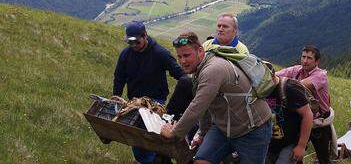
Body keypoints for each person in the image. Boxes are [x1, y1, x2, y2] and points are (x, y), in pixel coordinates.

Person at [160, 31, 272, 164]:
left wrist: (174, 133)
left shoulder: (212, 69)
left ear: (200, 51)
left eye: (186, 55)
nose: (182, 61)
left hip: (252, 129)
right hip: (223, 128)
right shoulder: (200, 68)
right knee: (201, 161)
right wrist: (203, 133)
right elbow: (206, 104)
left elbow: (198, 106)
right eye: (179, 57)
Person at [113, 21, 185, 164]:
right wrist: (116, 95)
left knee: (149, 134)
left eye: (137, 42)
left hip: (156, 102)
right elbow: (119, 76)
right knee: (135, 135)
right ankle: (148, 161)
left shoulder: (160, 53)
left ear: (145, 36)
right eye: (130, 43)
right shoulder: (126, 54)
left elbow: (180, 74)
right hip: (134, 102)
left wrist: (188, 88)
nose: (133, 46)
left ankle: (156, 160)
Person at [276, 45, 333, 164]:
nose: (305, 61)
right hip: (302, 118)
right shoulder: (296, 70)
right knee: (296, 154)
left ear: (317, 61)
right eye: (303, 57)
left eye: (309, 58)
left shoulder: (320, 76)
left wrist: (282, 82)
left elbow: (299, 86)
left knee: (323, 157)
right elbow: (275, 76)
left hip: (320, 121)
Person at [266, 77, 313, 164]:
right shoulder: (256, 90)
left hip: (291, 142)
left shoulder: (289, 88)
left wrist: (301, 146)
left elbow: (308, 115)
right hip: (270, 141)